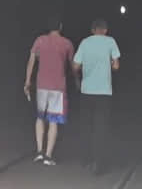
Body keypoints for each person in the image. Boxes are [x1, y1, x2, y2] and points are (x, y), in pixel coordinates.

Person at [74, 18, 122, 175]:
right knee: (101, 128)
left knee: (86, 126)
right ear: (105, 30)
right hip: (104, 92)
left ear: (92, 29)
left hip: (87, 91)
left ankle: (85, 159)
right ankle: (98, 162)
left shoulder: (85, 43)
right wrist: (109, 64)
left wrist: (78, 77)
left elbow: (75, 66)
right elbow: (116, 66)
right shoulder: (111, 42)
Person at [24, 19, 75, 165]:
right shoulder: (67, 43)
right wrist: (77, 81)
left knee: (40, 117)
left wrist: (27, 81)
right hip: (58, 87)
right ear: (61, 27)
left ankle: (39, 151)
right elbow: (72, 66)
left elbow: (31, 61)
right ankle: (48, 156)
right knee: (54, 120)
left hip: (41, 85)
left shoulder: (39, 41)